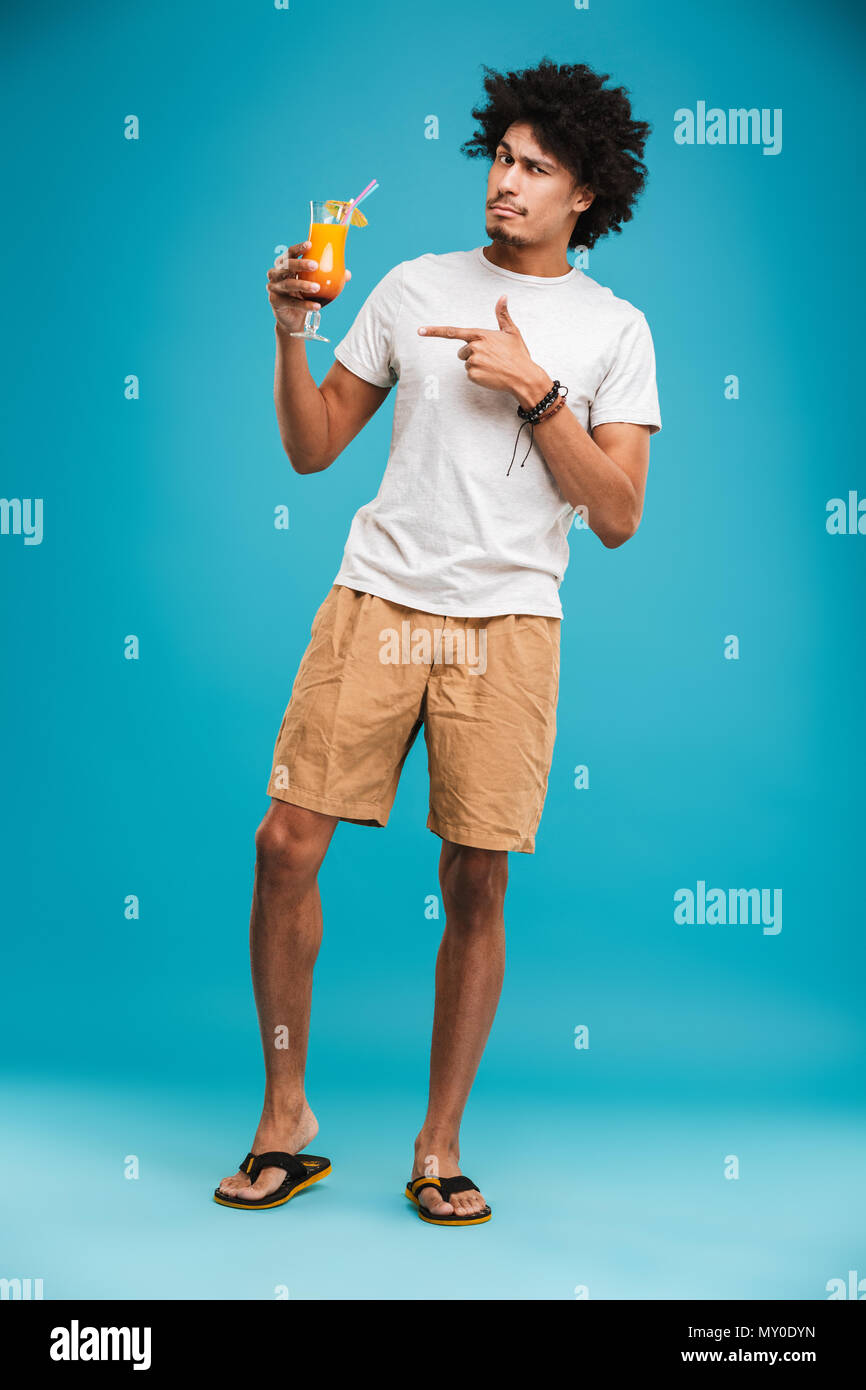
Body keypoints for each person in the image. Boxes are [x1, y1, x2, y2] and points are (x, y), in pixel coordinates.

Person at [214, 58, 661, 1225]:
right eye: (500, 159)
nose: (504, 183)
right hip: (376, 598)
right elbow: (313, 449)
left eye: (534, 168)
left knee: (473, 878)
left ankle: (438, 1144)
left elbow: (615, 517)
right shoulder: (410, 285)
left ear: (583, 195)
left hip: (507, 623)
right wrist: (287, 336)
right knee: (283, 843)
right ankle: (285, 1116)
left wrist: (536, 392)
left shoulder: (615, 329)